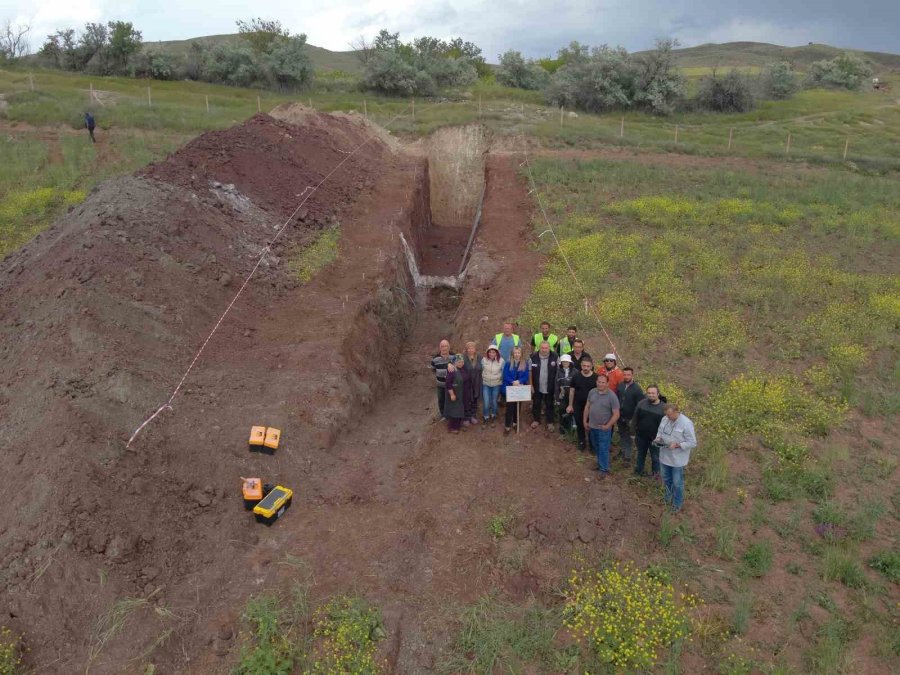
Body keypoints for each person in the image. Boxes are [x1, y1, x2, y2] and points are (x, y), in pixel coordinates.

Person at [654, 403, 697, 512]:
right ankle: (667, 498)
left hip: (678, 460)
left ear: (677, 412)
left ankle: (677, 504)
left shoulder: (686, 423)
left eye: (670, 415)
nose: (668, 418)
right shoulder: (665, 419)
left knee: (677, 483)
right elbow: (660, 431)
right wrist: (658, 439)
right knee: (667, 479)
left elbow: (692, 442)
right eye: (666, 415)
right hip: (664, 457)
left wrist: (678, 445)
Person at [584, 374, 620, 476]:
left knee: (603, 448)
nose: (600, 384)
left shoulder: (612, 396)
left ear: (607, 383)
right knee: (596, 447)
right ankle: (600, 464)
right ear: (596, 382)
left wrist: (608, 426)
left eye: (603, 382)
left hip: (603, 428)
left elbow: (616, 414)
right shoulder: (592, 392)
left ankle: (604, 469)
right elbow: (587, 407)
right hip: (592, 426)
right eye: (599, 382)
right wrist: (584, 421)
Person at [631, 385, 667, 478]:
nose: (651, 395)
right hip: (641, 436)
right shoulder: (641, 403)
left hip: (656, 438)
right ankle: (638, 471)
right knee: (640, 454)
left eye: (653, 393)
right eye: (649, 393)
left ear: (658, 394)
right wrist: (632, 433)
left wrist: (663, 438)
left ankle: (656, 475)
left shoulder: (664, 408)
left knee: (655, 457)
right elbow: (635, 418)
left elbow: (666, 426)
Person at [615, 367, 644, 466]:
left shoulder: (637, 389)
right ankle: (623, 450)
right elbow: (617, 398)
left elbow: (640, 406)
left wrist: (635, 419)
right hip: (620, 416)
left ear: (632, 375)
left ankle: (627, 457)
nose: (626, 377)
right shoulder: (620, 386)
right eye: (625, 374)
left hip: (630, 418)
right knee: (622, 434)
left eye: (628, 375)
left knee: (628, 436)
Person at [567, 357, 598, 451]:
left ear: (591, 366)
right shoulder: (576, 376)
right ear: (581, 366)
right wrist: (570, 405)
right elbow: (572, 391)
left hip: (592, 406)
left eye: (588, 366)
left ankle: (592, 444)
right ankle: (581, 441)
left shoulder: (596, 377)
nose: (586, 368)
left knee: (591, 424)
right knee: (580, 423)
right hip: (578, 405)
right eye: (584, 365)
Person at [529, 340, 558, 431]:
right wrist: (531, 385)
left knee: (549, 404)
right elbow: (529, 372)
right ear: (539, 348)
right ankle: (536, 420)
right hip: (537, 386)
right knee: (536, 403)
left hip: (550, 386)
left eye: (546, 348)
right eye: (542, 348)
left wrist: (556, 387)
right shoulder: (532, 357)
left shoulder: (555, 357)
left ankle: (550, 422)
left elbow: (558, 372)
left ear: (549, 348)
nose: (544, 350)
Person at [502, 346, 528, 433]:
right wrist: (513, 382)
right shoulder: (508, 363)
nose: (517, 354)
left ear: (521, 354)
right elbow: (505, 375)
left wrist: (519, 381)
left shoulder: (524, 363)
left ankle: (515, 422)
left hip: (520, 388)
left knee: (518, 406)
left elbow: (526, 375)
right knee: (510, 407)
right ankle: (507, 425)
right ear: (512, 354)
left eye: (518, 353)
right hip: (510, 388)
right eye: (515, 353)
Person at [480, 345, 504, 425]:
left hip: (496, 384)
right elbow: (481, 370)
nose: (491, 354)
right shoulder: (484, 360)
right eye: (490, 352)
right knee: (486, 401)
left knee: (494, 401)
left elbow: (503, 372)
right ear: (487, 353)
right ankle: (486, 416)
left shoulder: (501, 361)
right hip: (486, 384)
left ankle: (493, 414)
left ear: (497, 353)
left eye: (493, 352)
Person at [554, 353, 576, 436]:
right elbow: (556, 385)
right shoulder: (558, 372)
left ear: (570, 362)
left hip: (572, 394)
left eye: (566, 362)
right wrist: (556, 398)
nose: (565, 363)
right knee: (562, 410)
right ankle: (563, 428)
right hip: (562, 394)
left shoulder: (575, 372)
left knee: (571, 410)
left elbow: (577, 384)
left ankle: (571, 428)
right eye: (563, 362)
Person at [430, 340, 452, 419]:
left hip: (451, 385)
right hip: (440, 384)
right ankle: (443, 415)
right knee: (441, 399)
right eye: (442, 346)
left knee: (450, 400)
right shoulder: (435, 359)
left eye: (446, 346)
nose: (444, 348)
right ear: (440, 348)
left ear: (449, 347)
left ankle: (451, 415)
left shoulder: (454, 357)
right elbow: (433, 369)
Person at [444, 354, 467, 433]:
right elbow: (448, 383)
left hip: (460, 393)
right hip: (454, 393)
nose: (461, 363)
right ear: (455, 362)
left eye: (462, 362)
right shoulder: (452, 370)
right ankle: (452, 427)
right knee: (454, 411)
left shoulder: (461, 369)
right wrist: (452, 394)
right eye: (459, 362)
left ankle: (457, 425)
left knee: (458, 410)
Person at [462, 341, 482, 426]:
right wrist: (450, 365)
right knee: (467, 400)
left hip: (477, 382)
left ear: (475, 349)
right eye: (469, 348)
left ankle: (473, 415)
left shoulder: (479, 357)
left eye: (472, 348)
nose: (471, 350)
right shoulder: (463, 357)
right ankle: (466, 417)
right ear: (466, 349)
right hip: (467, 383)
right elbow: (455, 363)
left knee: (475, 399)